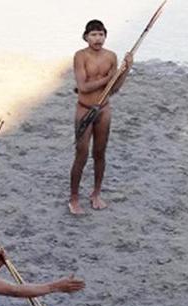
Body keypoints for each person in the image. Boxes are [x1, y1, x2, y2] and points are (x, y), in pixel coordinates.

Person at [69, 19, 134, 214]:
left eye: (101, 34)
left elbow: (114, 88)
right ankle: (74, 197)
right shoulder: (80, 56)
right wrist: (109, 77)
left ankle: (96, 193)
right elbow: (83, 86)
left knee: (99, 152)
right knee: (81, 154)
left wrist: (126, 69)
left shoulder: (111, 57)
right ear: (86, 37)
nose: (98, 39)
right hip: (85, 108)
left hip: (104, 109)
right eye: (94, 35)